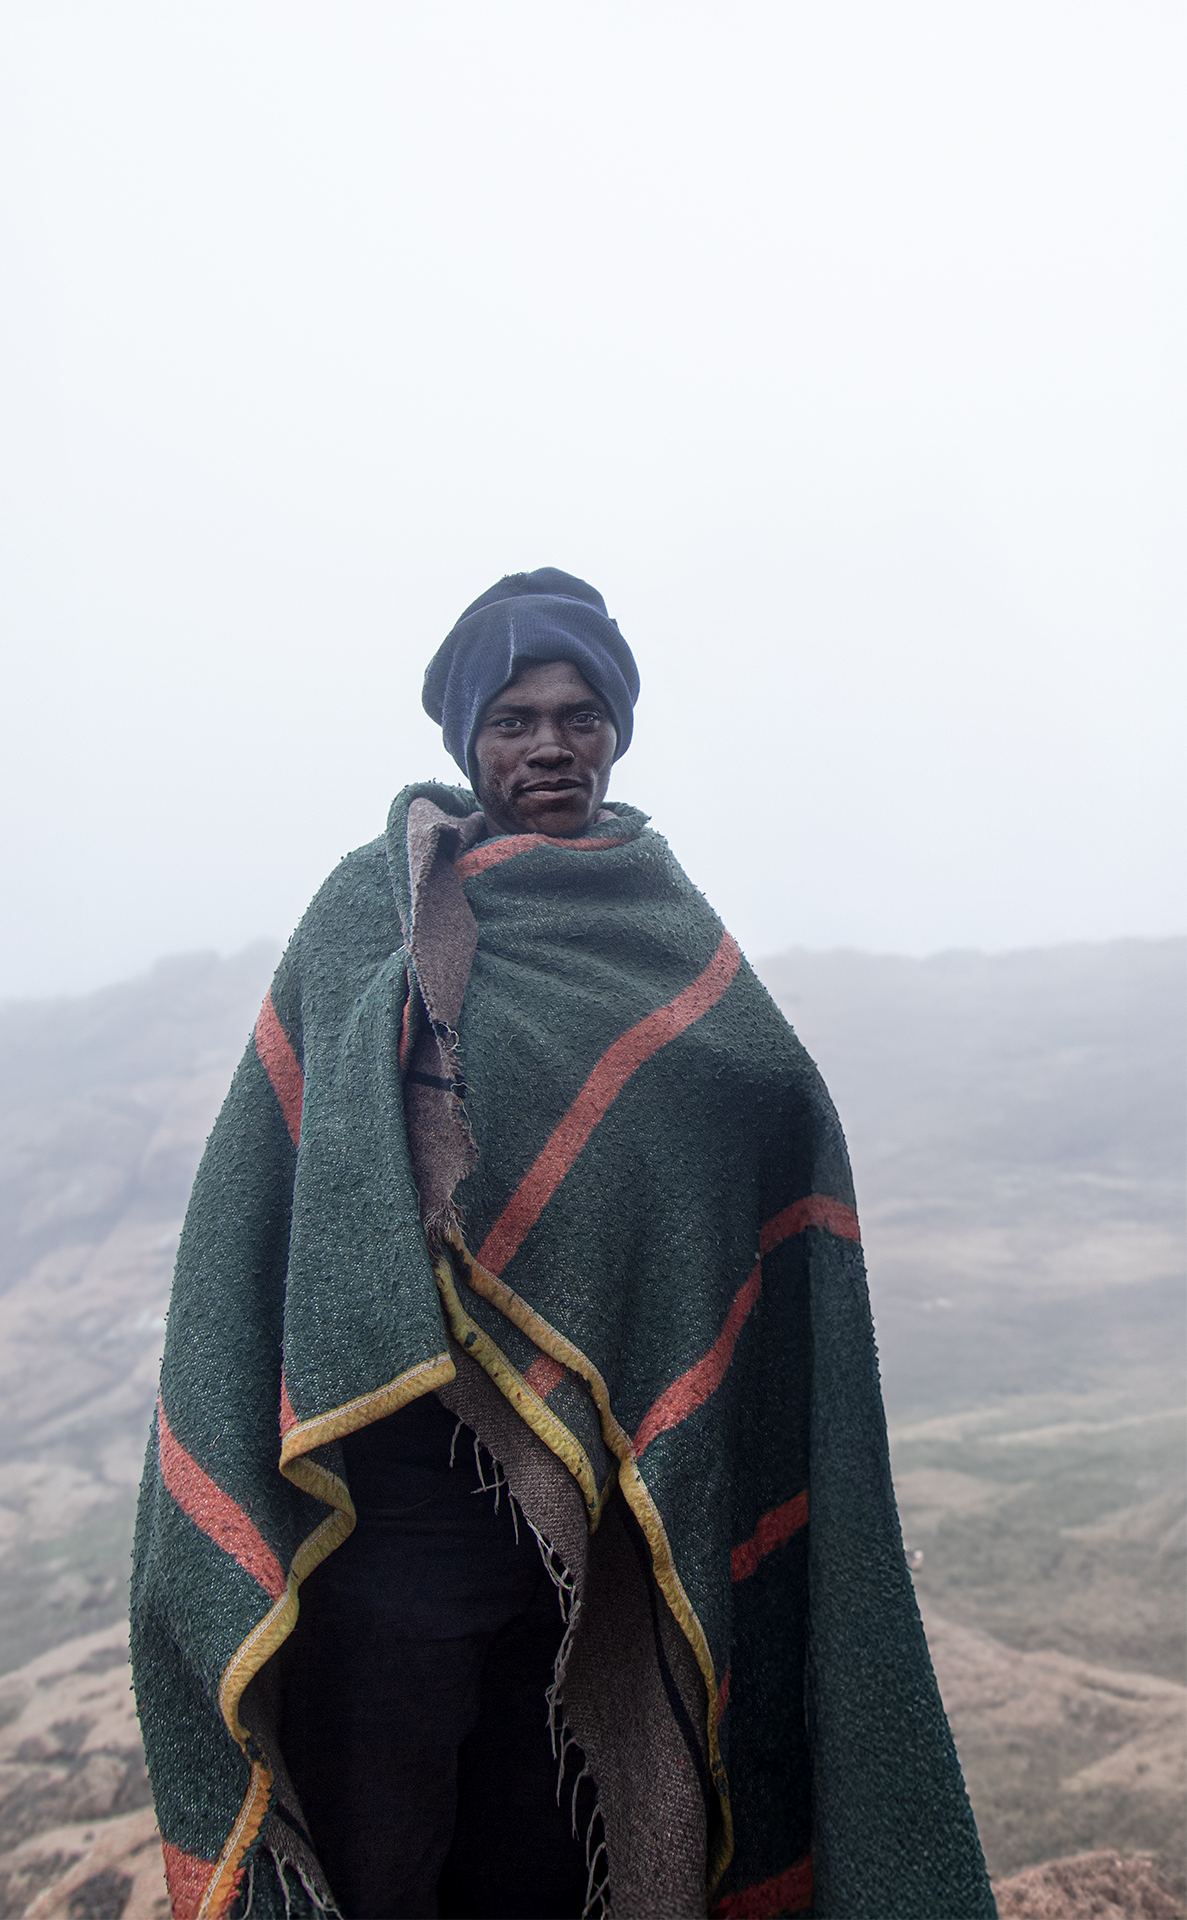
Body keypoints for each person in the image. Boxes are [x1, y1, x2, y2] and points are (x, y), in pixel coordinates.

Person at [131, 569, 995, 1920]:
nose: (549, 747)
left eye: (580, 715)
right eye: (516, 720)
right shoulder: (372, 911)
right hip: (394, 1513)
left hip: (588, 1535)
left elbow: (762, 1104)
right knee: (382, 1852)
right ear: (468, 742)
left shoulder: (661, 923)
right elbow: (282, 1185)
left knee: (546, 1853)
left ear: (618, 731)